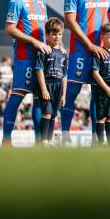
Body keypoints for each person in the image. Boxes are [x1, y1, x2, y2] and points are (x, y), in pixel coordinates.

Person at [61, 0, 110, 145]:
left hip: (102, 52)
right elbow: (70, 21)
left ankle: (97, 138)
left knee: (98, 94)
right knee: (71, 93)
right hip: (81, 50)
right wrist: (89, 44)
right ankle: (65, 135)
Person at [2, 0, 49, 146]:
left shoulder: (42, 5)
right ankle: (6, 140)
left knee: (40, 98)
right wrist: (33, 42)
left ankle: (39, 142)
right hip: (25, 56)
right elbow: (9, 28)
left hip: (42, 58)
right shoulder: (17, 1)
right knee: (18, 95)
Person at [34, 18, 68, 146]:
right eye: (54, 34)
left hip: (59, 86)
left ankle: (49, 140)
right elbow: (39, 70)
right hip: (47, 84)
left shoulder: (63, 53)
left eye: (59, 34)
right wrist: (43, 89)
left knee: (53, 115)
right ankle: (43, 140)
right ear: (47, 35)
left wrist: (64, 94)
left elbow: (64, 75)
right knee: (47, 113)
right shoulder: (44, 50)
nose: (57, 37)